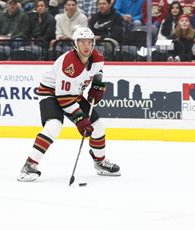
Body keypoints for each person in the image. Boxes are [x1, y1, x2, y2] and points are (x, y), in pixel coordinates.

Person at [18, 26, 120, 182]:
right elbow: (63, 98)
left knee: (98, 126)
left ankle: (100, 162)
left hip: (73, 94)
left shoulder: (97, 57)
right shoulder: (69, 65)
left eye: (89, 42)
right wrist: (80, 118)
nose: (86, 46)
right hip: (51, 93)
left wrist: (97, 85)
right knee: (53, 125)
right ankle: (29, 165)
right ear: (75, 44)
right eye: (82, 42)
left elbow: (97, 71)